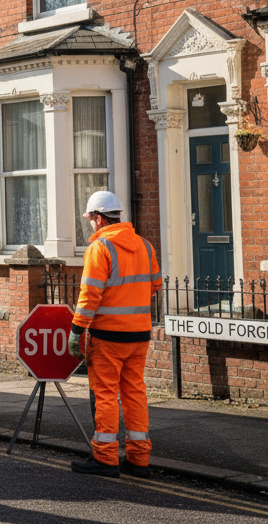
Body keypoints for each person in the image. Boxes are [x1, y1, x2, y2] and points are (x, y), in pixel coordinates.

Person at [69, 190, 161, 478]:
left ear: (98, 219)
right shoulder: (145, 245)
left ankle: (106, 457)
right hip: (139, 335)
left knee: (106, 394)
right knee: (134, 392)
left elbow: (90, 294)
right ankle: (139, 459)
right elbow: (155, 285)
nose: (90, 224)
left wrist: (77, 329)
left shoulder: (101, 248)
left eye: (91, 219)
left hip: (108, 336)